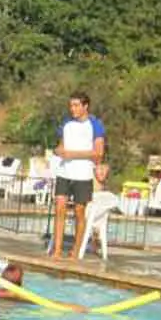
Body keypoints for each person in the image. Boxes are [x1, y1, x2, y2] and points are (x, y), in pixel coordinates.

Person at [51, 92, 106, 260]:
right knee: (59, 208)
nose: (72, 109)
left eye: (76, 105)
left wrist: (72, 154)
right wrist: (58, 151)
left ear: (85, 106)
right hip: (64, 172)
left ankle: (76, 250)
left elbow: (98, 153)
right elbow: (60, 147)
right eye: (71, 105)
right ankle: (57, 251)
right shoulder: (67, 124)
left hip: (82, 175)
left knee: (79, 211)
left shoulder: (95, 125)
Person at [0, 263, 86, 312]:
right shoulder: (20, 294)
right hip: (15, 311)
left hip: (0, 308)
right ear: (21, 282)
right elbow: (49, 303)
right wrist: (75, 307)